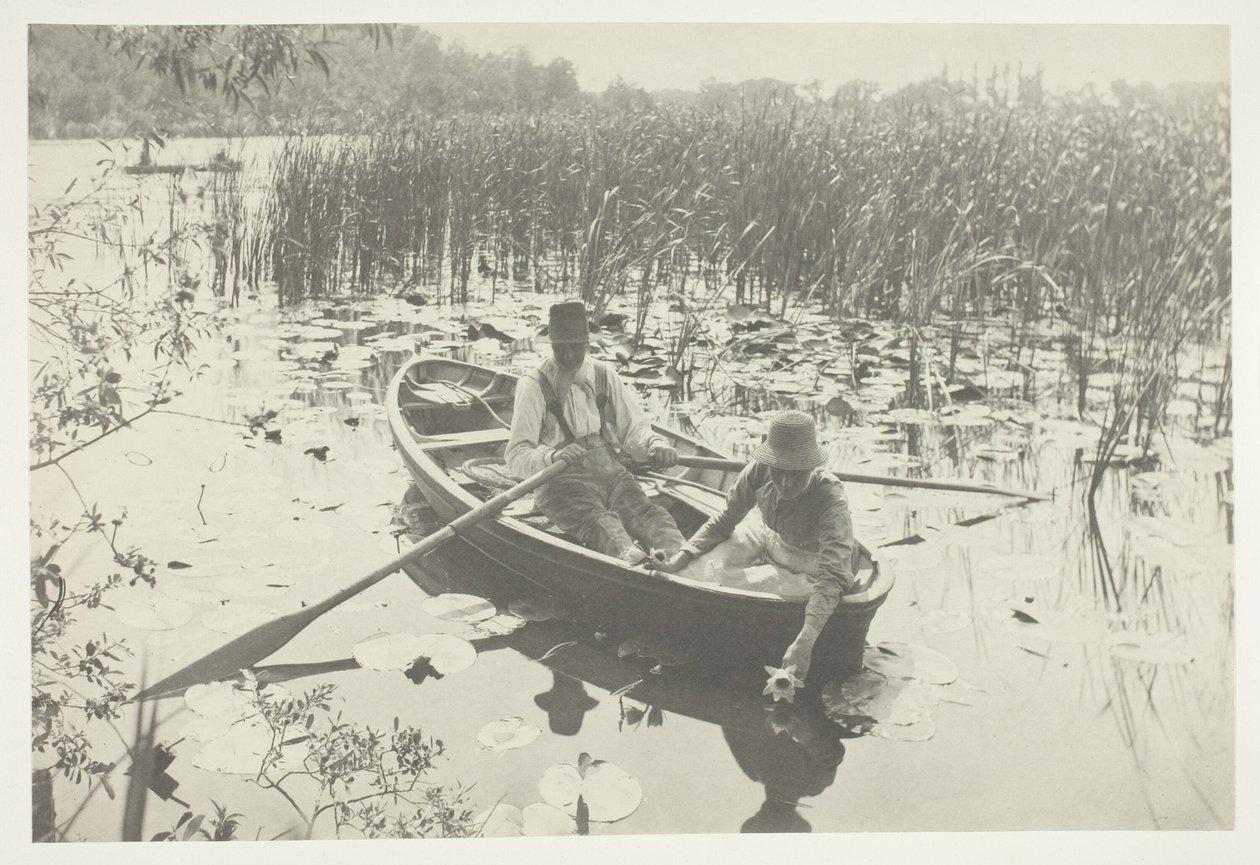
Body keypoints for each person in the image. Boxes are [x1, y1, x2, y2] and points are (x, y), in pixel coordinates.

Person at [659, 410, 860, 681]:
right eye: (779, 472)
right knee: (703, 567)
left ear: (812, 466)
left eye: (797, 474)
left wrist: (805, 641)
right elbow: (725, 519)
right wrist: (681, 556)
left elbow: (834, 575)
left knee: (748, 586)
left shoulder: (831, 497)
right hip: (769, 535)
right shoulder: (761, 468)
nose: (786, 484)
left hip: (811, 560)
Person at [505, 300, 686, 567]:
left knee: (651, 516)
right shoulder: (533, 385)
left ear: (588, 343)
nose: (568, 355)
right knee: (603, 524)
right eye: (560, 347)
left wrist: (654, 444)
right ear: (550, 343)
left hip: (611, 473)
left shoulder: (604, 374)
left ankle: (680, 562)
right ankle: (635, 565)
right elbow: (516, 456)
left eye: (576, 346)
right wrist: (553, 456)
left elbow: (634, 428)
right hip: (561, 482)